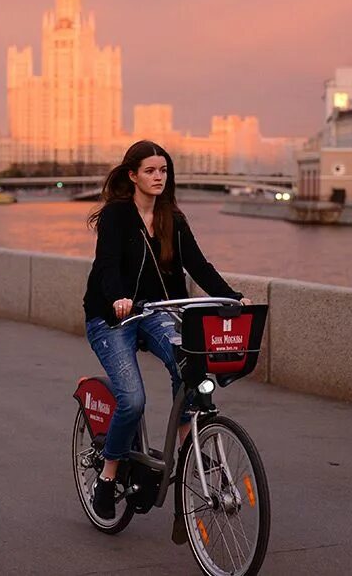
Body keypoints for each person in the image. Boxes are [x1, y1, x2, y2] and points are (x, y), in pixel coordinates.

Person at [82, 140, 247, 525]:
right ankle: (107, 477)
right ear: (132, 176)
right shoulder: (116, 217)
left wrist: (231, 297)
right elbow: (106, 266)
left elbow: (198, 265)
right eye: (151, 171)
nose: (159, 177)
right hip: (113, 318)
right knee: (133, 400)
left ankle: (187, 440)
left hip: (158, 313)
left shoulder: (173, 216)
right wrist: (119, 298)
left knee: (189, 366)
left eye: (164, 171)